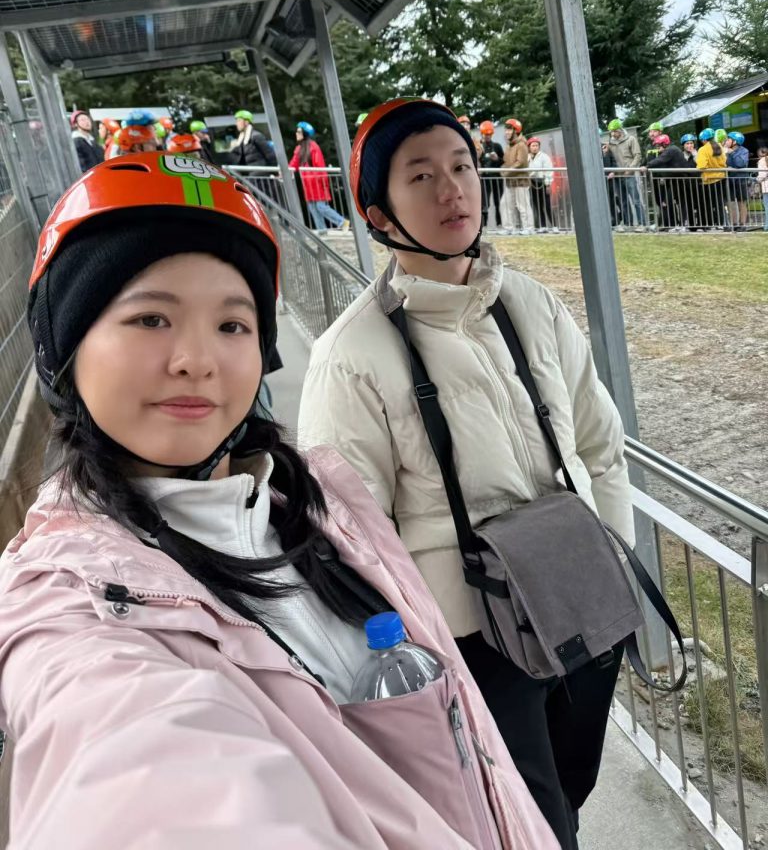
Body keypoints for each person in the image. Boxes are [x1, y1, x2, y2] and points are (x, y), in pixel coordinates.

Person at [0, 151, 557, 850]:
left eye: (233, 325)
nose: (196, 360)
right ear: (65, 348)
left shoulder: (322, 503)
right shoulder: (68, 605)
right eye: (150, 319)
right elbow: (135, 771)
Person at [298, 98, 635, 850]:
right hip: (471, 637)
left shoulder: (530, 302)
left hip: (577, 593)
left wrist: (614, 556)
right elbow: (348, 535)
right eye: (421, 176)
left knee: (573, 783)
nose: (452, 190)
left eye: (461, 167)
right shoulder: (350, 355)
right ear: (379, 214)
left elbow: (599, 442)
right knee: (528, 816)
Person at [289, 122, 348, 233]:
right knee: (312, 208)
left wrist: (324, 183)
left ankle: (342, 222)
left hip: (317, 183)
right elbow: (293, 164)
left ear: (305, 134)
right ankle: (322, 231)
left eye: (299, 132)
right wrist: (283, 172)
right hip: (308, 185)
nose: (296, 133)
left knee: (321, 207)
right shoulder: (299, 149)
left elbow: (320, 165)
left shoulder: (313, 147)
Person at [606, 119, 646, 227]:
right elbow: (609, 158)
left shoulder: (631, 139)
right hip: (617, 176)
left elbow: (637, 155)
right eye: (611, 131)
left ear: (620, 130)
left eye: (615, 131)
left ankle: (643, 224)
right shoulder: (610, 143)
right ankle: (629, 224)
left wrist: (630, 169)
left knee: (636, 201)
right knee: (623, 202)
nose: (613, 134)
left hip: (629, 175)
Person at [500, 118, 534, 233]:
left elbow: (520, 162)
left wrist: (506, 172)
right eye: (506, 130)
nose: (506, 132)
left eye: (509, 130)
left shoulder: (521, 145)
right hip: (510, 181)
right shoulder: (509, 146)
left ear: (516, 131)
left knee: (523, 206)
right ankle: (508, 228)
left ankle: (528, 228)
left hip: (520, 181)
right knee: (505, 205)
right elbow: (506, 162)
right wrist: (502, 169)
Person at [646, 134, 681, 229]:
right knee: (664, 202)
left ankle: (674, 224)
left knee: (668, 202)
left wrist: (647, 166)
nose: (657, 149)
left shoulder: (671, 150)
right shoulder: (668, 150)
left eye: (658, 146)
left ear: (664, 144)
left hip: (679, 180)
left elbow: (660, 160)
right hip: (672, 180)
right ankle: (668, 224)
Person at [695, 127, 727, 229]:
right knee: (719, 203)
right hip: (721, 178)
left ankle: (710, 224)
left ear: (704, 139)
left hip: (709, 180)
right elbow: (724, 161)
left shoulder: (703, 149)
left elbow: (702, 166)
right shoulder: (719, 146)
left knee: (708, 204)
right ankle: (721, 224)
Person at [477, 121, 504, 230]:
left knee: (498, 202)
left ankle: (499, 224)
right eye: (485, 134)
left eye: (489, 134)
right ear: (482, 134)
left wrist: (497, 159)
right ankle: (484, 226)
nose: (487, 136)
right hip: (485, 179)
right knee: (485, 203)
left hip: (497, 178)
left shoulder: (497, 146)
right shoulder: (479, 147)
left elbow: (503, 161)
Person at [527, 137, 554, 231]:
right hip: (532, 183)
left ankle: (554, 225)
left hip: (543, 182)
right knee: (538, 206)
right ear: (529, 147)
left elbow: (548, 171)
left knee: (547, 205)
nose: (535, 147)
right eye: (533, 146)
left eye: (536, 145)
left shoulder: (544, 157)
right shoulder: (527, 157)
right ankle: (543, 226)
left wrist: (548, 184)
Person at [726, 131, 750, 231]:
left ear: (734, 141)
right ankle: (734, 224)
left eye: (728, 139)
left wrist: (732, 153)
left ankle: (742, 224)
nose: (726, 141)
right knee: (730, 202)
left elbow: (740, 163)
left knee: (742, 202)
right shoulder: (725, 151)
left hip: (741, 180)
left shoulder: (744, 151)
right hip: (729, 179)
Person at [679, 134, 702, 230]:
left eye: (691, 143)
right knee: (687, 204)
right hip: (684, 184)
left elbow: (701, 164)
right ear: (683, 145)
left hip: (697, 183)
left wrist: (694, 154)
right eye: (687, 143)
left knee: (699, 204)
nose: (689, 145)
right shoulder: (681, 155)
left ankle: (701, 224)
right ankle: (690, 224)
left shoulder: (697, 153)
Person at [757, 146, 768, 232]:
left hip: (766, 187)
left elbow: (762, 175)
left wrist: (757, 179)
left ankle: (767, 226)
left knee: (767, 207)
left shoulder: (762, 161)